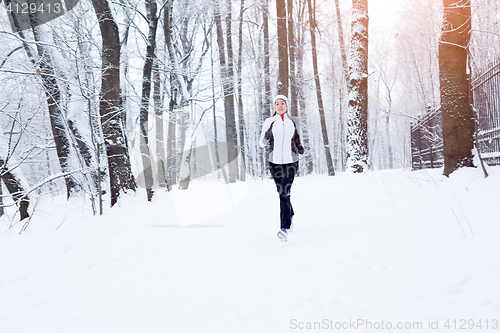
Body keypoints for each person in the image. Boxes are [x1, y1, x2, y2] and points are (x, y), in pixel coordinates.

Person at [259, 95, 304, 242]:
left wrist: (300, 147)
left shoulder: (294, 121)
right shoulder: (269, 122)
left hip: (291, 161)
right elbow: (261, 144)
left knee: (284, 192)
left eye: (282, 103)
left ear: (287, 105)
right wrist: (266, 136)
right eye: (277, 104)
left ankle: (283, 229)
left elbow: (297, 137)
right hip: (275, 163)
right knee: (282, 193)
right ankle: (290, 214)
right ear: (274, 106)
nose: (279, 106)